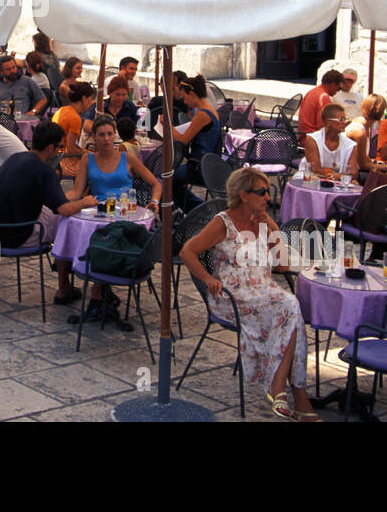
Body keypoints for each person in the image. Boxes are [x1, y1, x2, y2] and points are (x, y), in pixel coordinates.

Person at [179, 166, 317, 421]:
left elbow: (283, 264)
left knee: (290, 308)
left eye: (268, 192)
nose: (268, 197)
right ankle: (295, 393)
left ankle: (286, 391)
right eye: (262, 192)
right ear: (244, 195)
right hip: (232, 296)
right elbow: (187, 251)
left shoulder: (261, 221)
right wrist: (208, 278)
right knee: (289, 305)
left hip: (264, 293)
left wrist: (273, 225)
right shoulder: (223, 222)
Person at [0, 121, 96, 304]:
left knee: (56, 215)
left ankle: (63, 272)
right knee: (67, 222)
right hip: (15, 237)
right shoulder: (44, 170)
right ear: (50, 148)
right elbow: (64, 209)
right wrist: (85, 202)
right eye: (60, 148)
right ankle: (64, 287)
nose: (61, 152)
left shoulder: (15, 158)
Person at [67, 115, 160, 237]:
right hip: (98, 212)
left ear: (115, 135)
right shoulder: (87, 159)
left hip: (125, 212)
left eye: (109, 134)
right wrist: (56, 199)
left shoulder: (127, 157)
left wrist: (154, 201)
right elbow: (76, 192)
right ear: (94, 137)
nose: (106, 139)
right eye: (101, 135)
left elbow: (155, 184)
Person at [166, 75, 222, 210]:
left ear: (191, 94)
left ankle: (199, 210)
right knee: (174, 181)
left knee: (167, 180)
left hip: (200, 166)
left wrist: (168, 126)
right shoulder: (212, 111)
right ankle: (196, 209)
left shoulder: (203, 115)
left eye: (185, 97)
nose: (184, 102)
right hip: (209, 163)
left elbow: (182, 140)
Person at [302, 103, 359, 178]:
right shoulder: (313, 139)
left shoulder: (350, 145)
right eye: (341, 119)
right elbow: (314, 169)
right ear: (328, 122)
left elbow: (354, 173)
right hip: (311, 180)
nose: (345, 123)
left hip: (338, 185)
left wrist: (336, 177)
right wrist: (337, 176)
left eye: (345, 119)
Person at [53, 81, 95, 178]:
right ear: (84, 98)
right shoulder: (75, 118)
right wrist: (88, 153)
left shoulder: (62, 110)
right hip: (63, 161)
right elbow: (70, 150)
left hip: (53, 157)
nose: (91, 102)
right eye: (90, 99)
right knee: (96, 169)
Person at [345, 93, 387, 173]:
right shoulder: (360, 132)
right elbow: (362, 165)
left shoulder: (366, 126)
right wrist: (381, 167)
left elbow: (364, 156)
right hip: (350, 172)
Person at [297, 69, 344, 135]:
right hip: (312, 138)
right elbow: (323, 126)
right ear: (333, 84)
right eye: (339, 88)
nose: (338, 91)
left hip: (305, 135)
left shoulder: (314, 91)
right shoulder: (324, 97)